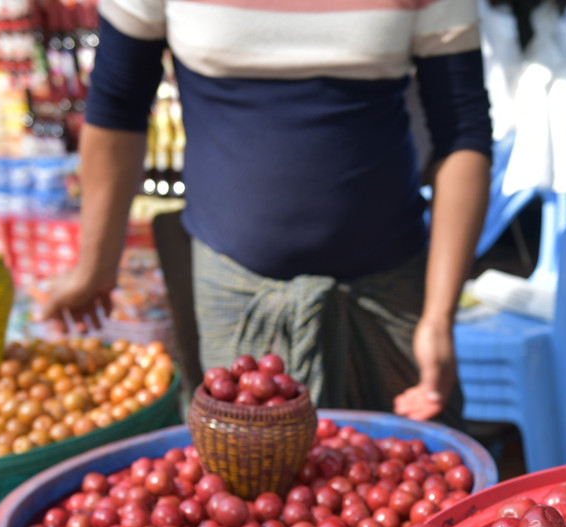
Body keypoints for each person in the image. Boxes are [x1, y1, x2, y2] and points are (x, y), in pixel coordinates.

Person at [41, 0, 493, 427]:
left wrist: (439, 316)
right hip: (235, 293)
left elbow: (463, 130)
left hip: (390, 295)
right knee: (249, 487)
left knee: (415, 474)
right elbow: (119, 106)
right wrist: (96, 265)